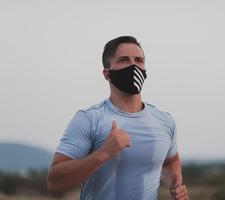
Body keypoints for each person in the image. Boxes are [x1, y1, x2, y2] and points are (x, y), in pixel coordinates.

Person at [47, 36, 189, 200]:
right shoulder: (90, 119)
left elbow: (170, 162)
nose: (133, 66)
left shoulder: (164, 120)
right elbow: (54, 181)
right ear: (107, 74)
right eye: (123, 60)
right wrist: (102, 154)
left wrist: (176, 184)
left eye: (139, 60)